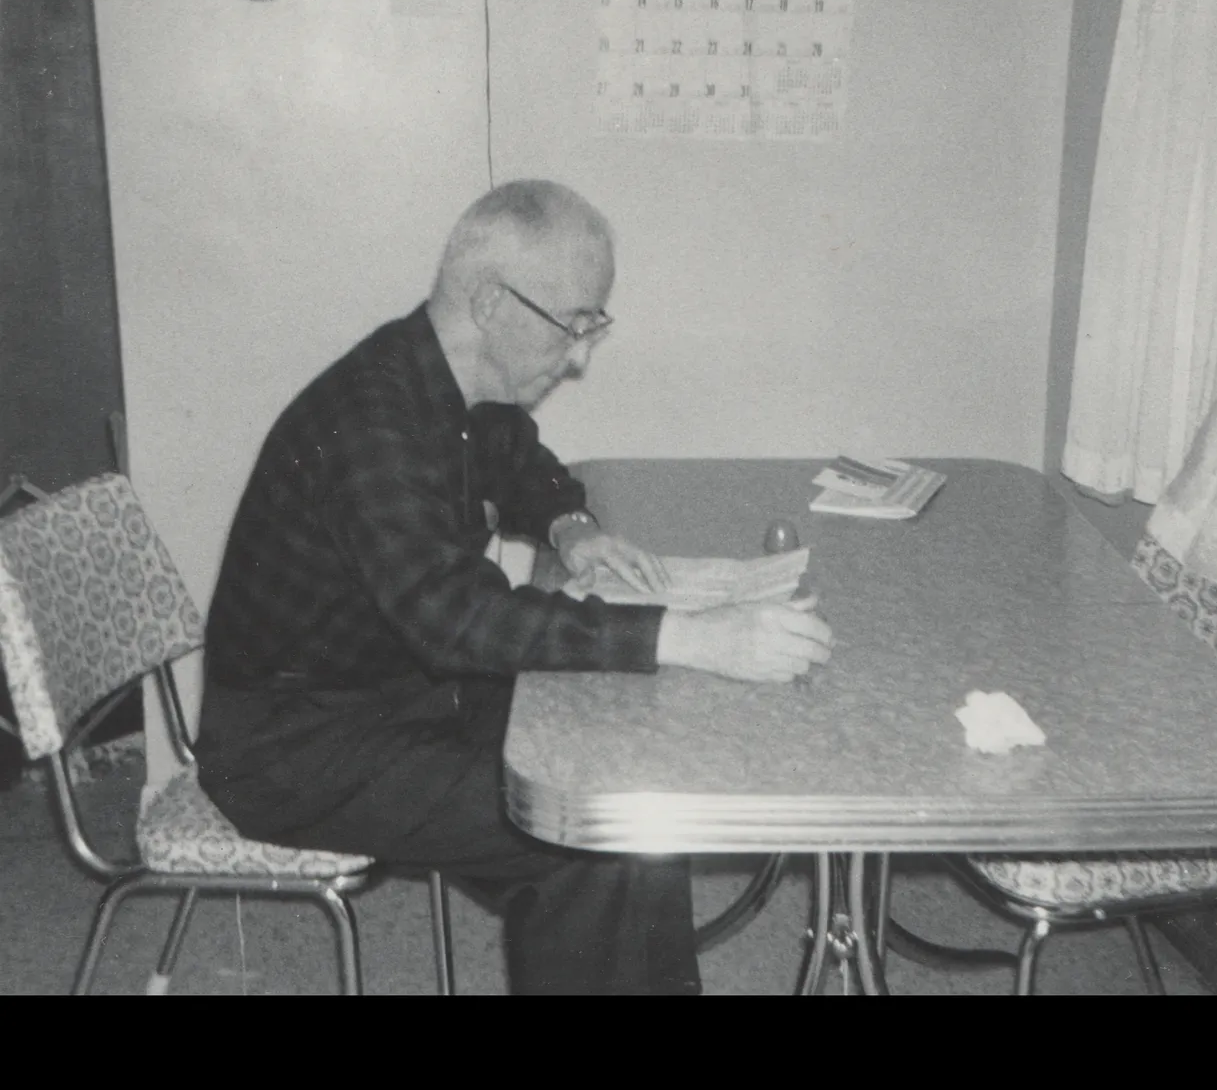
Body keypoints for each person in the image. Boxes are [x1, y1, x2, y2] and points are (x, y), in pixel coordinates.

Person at [195, 179, 834, 994]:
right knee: (587, 836)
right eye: (572, 326)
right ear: (493, 302)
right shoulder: (370, 428)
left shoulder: (450, 381)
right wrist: (690, 636)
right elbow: (457, 622)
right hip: (293, 747)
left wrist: (574, 527)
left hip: (399, 691)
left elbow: (521, 461)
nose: (577, 358)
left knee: (628, 780)